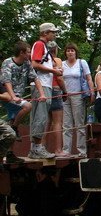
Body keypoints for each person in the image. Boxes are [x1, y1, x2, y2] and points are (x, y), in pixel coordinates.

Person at [29, 23, 61, 159]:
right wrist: (53, 70)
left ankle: (35, 148)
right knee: (41, 116)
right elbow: (34, 64)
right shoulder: (39, 45)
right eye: (52, 32)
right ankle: (36, 148)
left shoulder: (44, 46)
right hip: (41, 85)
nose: (54, 35)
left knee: (42, 116)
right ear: (45, 33)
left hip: (44, 84)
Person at [62, 43, 94, 157]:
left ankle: (81, 150)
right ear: (65, 52)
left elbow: (89, 78)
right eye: (68, 50)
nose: (70, 52)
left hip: (78, 96)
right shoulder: (62, 64)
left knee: (79, 123)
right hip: (65, 96)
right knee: (66, 124)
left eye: (72, 50)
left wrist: (92, 92)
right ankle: (66, 150)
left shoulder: (82, 63)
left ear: (76, 52)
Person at [0, 41, 35, 139]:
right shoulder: (8, 63)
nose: (30, 54)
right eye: (28, 52)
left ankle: (10, 152)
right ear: (21, 52)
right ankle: (14, 127)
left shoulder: (27, 63)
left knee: (13, 120)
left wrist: (42, 94)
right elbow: (6, 82)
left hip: (16, 96)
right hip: (10, 97)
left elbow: (35, 77)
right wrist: (13, 96)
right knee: (28, 106)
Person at [46, 41, 68, 157]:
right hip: (55, 90)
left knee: (47, 121)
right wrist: (65, 91)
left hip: (45, 90)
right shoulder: (57, 60)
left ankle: (41, 147)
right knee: (58, 122)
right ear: (55, 49)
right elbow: (59, 79)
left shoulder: (43, 61)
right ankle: (58, 150)